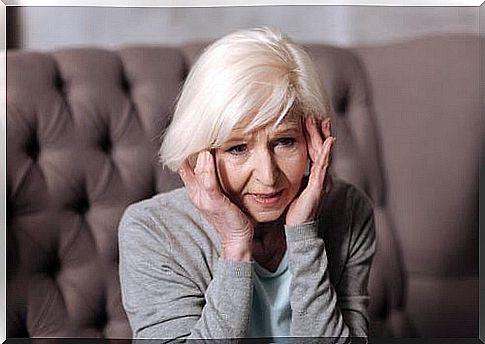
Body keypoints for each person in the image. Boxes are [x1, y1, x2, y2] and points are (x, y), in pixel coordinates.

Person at [118, 27, 376, 342]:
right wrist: (235, 248)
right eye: (237, 148)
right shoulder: (152, 229)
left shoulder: (348, 211)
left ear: (312, 141)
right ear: (199, 152)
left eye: (284, 141)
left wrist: (304, 238)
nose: (268, 177)